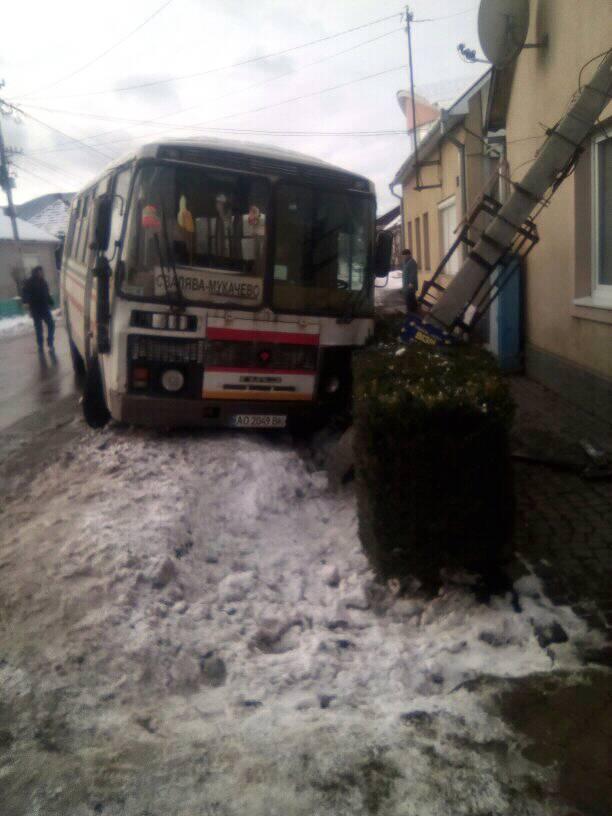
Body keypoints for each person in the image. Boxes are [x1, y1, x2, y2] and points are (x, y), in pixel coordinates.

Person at [21, 266, 55, 352]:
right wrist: (26, 302)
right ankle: (40, 346)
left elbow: (46, 293)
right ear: (36, 272)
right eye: (40, 272)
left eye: (42, 271)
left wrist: (51, 301)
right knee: (39, 328)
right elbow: (25, 293)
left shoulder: (43, 282)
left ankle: (50, 342)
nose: (42, 273)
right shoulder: (29, 282)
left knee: (51, 324)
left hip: (44, 308)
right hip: (35, 309)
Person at [401, 248, 419, 313]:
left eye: (404, 255)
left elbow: (413, 273)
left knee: (410, 300)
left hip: (410, 286)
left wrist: (411, 283)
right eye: (403, 256)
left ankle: (412, 313)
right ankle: (413, 312)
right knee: (410, 300)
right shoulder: (406, 262)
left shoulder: (412, 263)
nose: (403, 257)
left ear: (409, 255)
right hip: (406, 285)